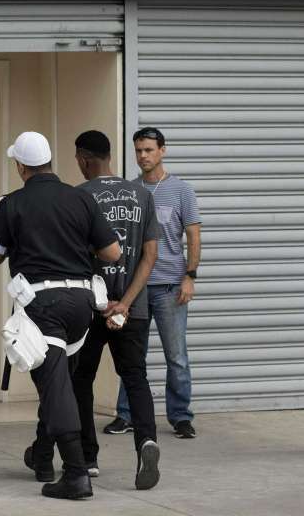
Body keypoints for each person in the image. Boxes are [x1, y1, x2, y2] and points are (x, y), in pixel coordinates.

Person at [0, 131, 121, 500]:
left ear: (21, 165)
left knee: (56, 388)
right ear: (49, 162)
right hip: (82, 305)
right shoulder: (81, 198)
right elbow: (112, 253)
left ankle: (75, 474)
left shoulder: (10, 203)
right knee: (56, 383)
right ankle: (41, 456)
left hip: (43, 306)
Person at [70, 130, 163, 490]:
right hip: (133, 309)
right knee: (136, 378)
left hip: (91, 309)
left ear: (83, 159)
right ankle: (146, 443)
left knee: (81, 379)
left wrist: (103, 302)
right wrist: (125, 302)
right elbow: (150, 255)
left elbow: (77, 254)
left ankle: (88, 457)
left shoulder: (79, 197)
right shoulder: (142, 194)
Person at [106, 126, 202, 440]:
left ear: (162, 150)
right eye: (138, 151)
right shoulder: (131, 191)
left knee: (176, 355)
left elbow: (193, 235)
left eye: (148, 150)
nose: (143, 156)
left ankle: (181, 417)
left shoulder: (181, 190)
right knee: (132, 353)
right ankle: (126, 415)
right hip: (136, 288)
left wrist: (190, 275)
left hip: (170, 285)